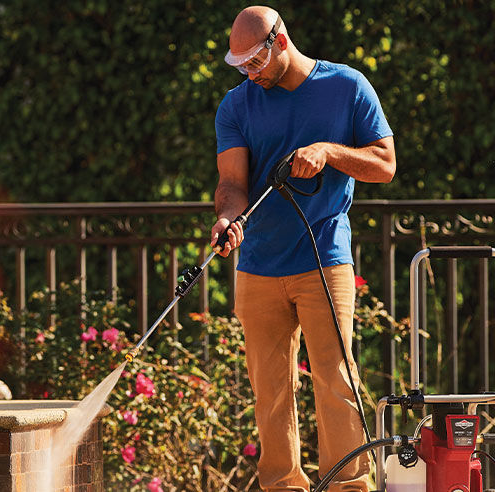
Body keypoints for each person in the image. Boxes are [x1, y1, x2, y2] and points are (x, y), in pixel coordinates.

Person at [210, 6, 396, 492]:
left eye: (254, 62)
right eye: (240, 66)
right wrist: (228, 218)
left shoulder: (347, 86)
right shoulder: (236, 105)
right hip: (258, 267)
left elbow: (385, 163)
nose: (249, 74)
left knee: (336, 382)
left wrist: (329, 150)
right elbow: (231, 184)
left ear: (281, 40)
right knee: (269, 392)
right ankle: (282, 486)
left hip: (324, 259)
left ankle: (350, 486)